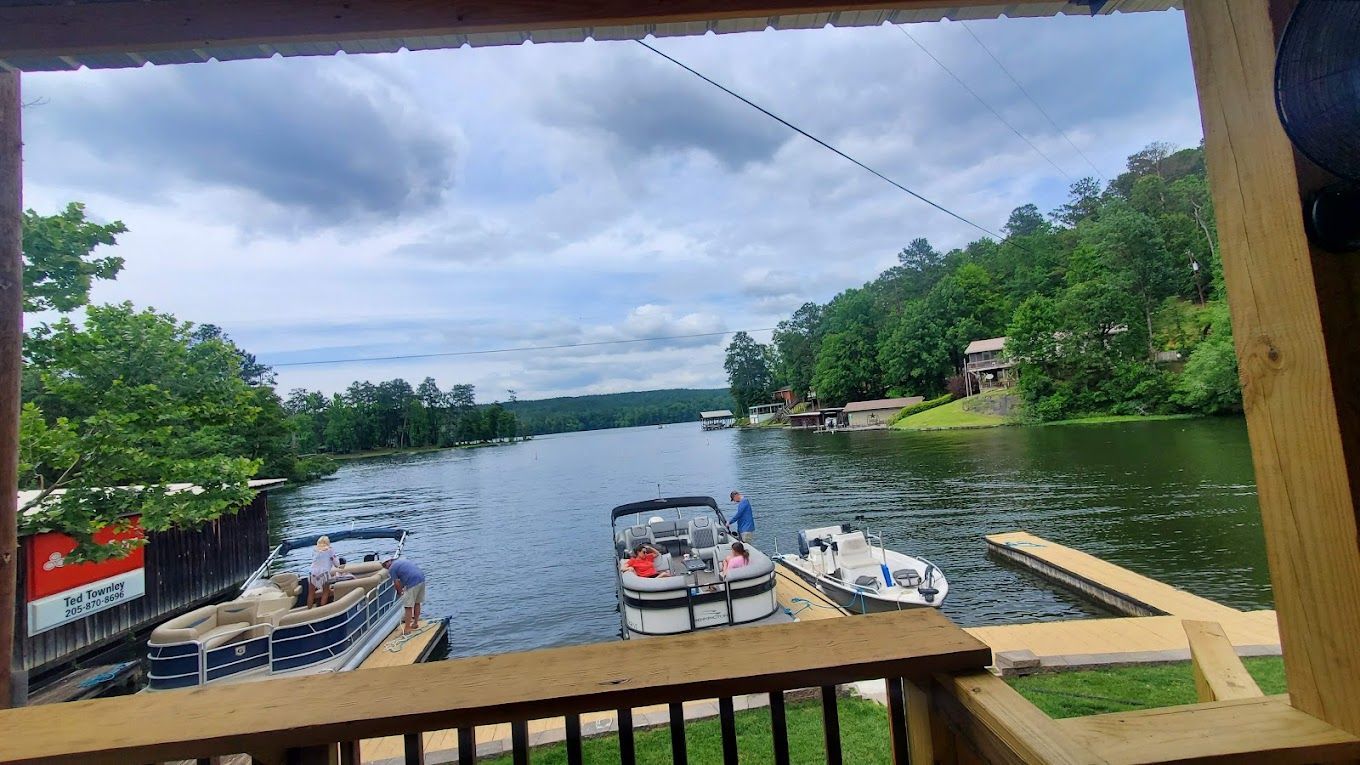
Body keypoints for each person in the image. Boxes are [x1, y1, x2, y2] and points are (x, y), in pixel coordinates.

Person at [382, 557, 427, 635]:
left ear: (388, 562)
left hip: (412, 582)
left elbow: (396, 583)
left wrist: (400, 593)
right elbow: (404, 575)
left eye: (385, 565)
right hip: (421, 578)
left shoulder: (392, 568)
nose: (386, 567)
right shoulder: (401, 561)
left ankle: (407, 629)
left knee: (408, 607)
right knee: (417, 602)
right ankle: (415, 623)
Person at [307, 536, 340, 608]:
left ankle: (308, 609)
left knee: (311, 593)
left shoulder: (315, 550)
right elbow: (337, 564)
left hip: (312, 572)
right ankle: (322, 610)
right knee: (325, 592)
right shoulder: (330, 550)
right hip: (323, 573)